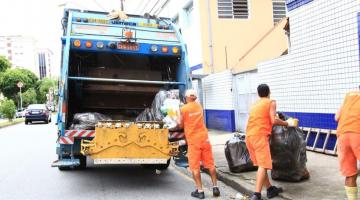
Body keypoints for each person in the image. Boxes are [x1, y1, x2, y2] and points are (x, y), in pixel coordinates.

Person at [246, 84, 295, 200]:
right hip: (259, 137)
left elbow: (262, 118)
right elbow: (273, 120)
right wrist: (288, 123)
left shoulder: (254, 104)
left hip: (249, 137)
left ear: (258, 94)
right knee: (263, 165)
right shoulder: (271, 102)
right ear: (269, 92)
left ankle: (269, 189)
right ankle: (256, 195)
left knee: (261, 165)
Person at [177, 89, 220, 199]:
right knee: (210, 164)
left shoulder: (183, 109)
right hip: (205, 139)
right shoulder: (199, 106)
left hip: (193, 141)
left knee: (195, 167)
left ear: (187, 97)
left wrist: (178, 114)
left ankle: (200, 191)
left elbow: (180, 125)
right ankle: (215, 188)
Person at [335, 91, 360, 200]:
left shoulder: (348, 99)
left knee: (350, 173)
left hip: (342, 137)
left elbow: (336, 117)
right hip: (358, 134)